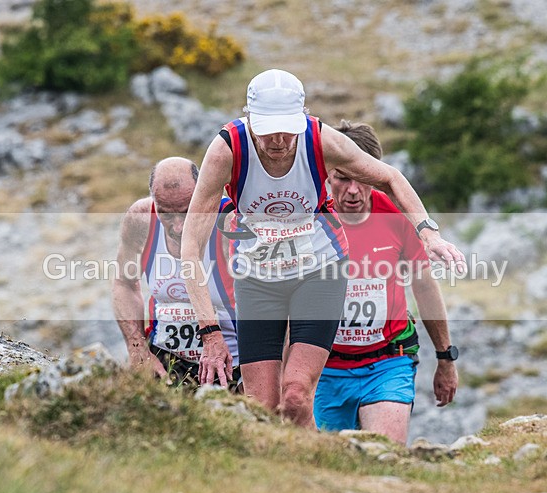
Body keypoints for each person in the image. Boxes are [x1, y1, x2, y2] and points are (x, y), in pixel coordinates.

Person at [180, 69, 465, 427]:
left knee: (296, 394)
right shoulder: (228, 150)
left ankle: (310, 466)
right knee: (261, 410)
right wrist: (210, 333)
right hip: (256, 280)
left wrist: (429, 233)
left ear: (301, 118)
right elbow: (190, 247)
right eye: (267, 130)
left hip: (320, 272)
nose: (279, 141)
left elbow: (389, 176)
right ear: (249, 119)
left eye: (287, 128)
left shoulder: (320, 139)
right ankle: (288, 476)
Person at [314, 121, 458, 444]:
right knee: (330, 469)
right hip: (325, 368)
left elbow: (424, 288)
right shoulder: (312, 217)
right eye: (341, 178)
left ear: (376, 176)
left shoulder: (395, 214)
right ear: (327, 175)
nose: (352, 190)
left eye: (362, 179)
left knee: (385, 458)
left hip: (387, 362)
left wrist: (446, 358)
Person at [112, 156, 240, 389]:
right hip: (166, 360)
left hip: (229, 364)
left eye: (186, 211)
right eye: (166, 215)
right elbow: (124, 283)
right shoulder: (141, 218)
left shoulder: (229, 220)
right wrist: (137, 348)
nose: (178, 226)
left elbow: (269, 299)